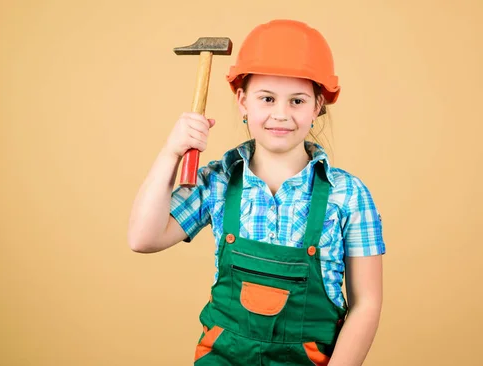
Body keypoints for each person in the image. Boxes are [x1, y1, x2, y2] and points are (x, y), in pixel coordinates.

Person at [128, 19, 386, 365]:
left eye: (297, 100)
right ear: (242, 102)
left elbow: (367, 304)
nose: (281, 114)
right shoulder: (219, 181)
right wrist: (171, 152)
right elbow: (143, 238)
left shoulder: (348, 196)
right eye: (267, 98)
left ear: (318, 106)